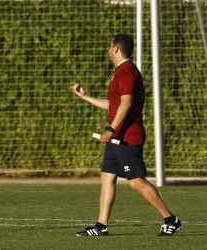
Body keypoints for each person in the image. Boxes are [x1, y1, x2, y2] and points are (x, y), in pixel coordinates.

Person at [72, 34, 182, 236]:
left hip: (127, 136)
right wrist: (84, 97)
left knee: (136, 181)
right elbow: (113, 105)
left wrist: (111, 129)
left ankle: (171, 219)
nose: (108, 49)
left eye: (109, 45)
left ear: (115, 48)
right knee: (107, 177)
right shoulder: (121, 72)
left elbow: (127, 104)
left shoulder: (126, 72)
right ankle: (101, 226)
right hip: (117, 137)